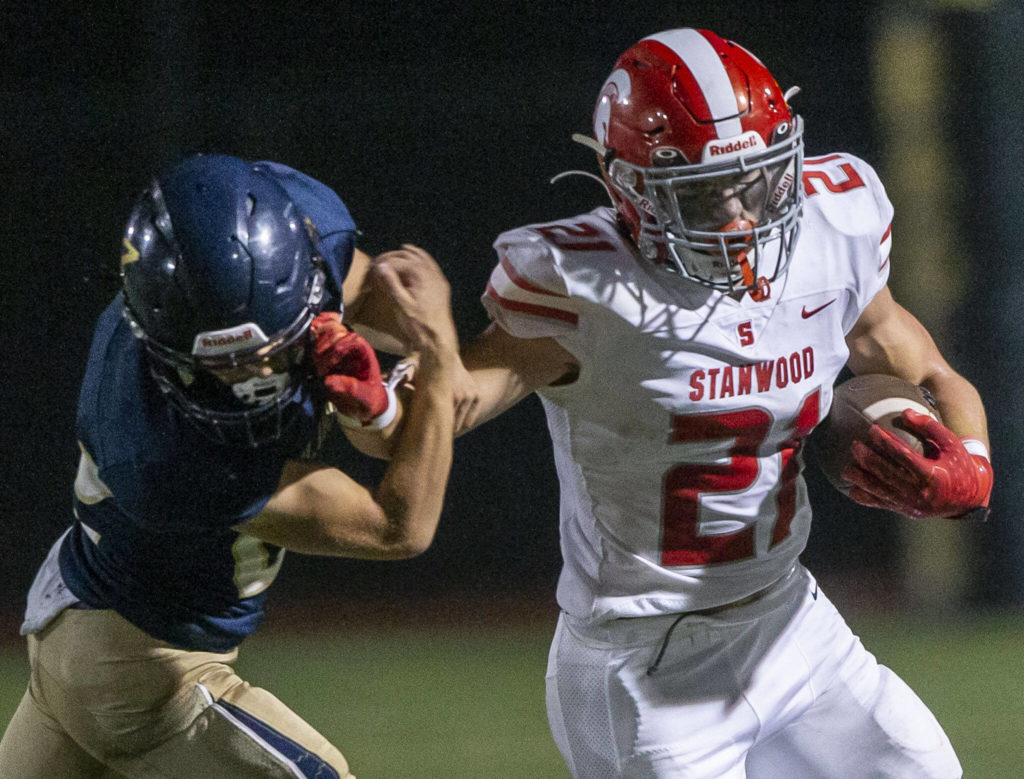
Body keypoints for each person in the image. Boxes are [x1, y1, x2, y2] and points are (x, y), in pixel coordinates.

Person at [453, 28, 992, 777]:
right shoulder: (586, 289)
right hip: (647, 664)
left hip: (790, 620)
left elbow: (928, 368)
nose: (742, 216)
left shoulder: (832, 229)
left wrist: (971, 462)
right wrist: (389, 391)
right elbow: (442, 405)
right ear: (629, 188)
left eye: (759, 180)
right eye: (706, 194)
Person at [0, 154, 458, 778]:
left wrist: (375, 413)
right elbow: (398, 526)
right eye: (227, 364)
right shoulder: (165, 455)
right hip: (142, 670)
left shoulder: (300, 231)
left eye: (273, 347)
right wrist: (437, 351)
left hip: (81, 618)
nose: (261, 374)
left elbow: (368, 305)